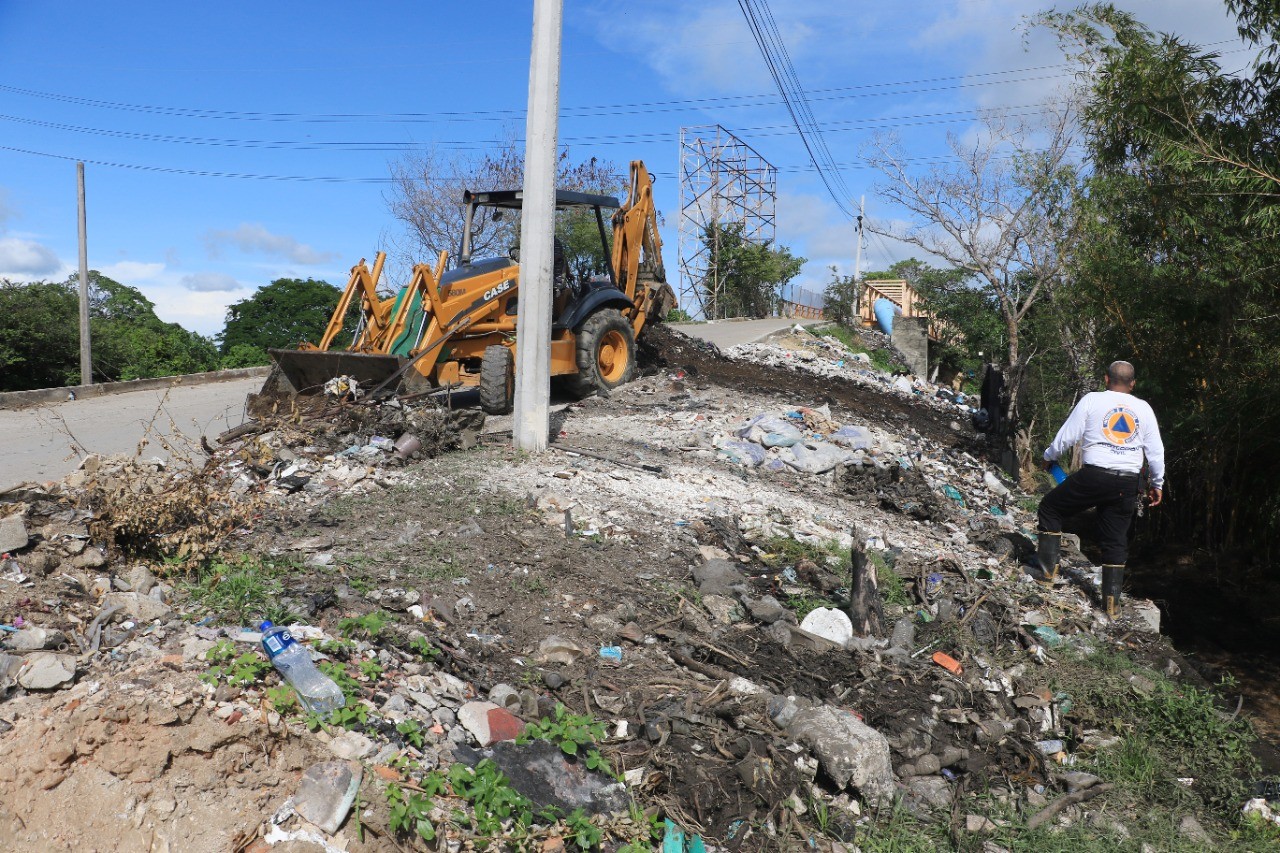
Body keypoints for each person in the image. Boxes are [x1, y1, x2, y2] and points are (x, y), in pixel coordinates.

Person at [1036, 361, 1164, 618]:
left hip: (1094, 476)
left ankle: (1047, 574)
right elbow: (1156, 451)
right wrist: (1157, 483)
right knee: (1116, 538)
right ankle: (1112, 605)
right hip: (1128, 482)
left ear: (1106, 379)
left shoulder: (1092, 400)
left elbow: (1067, 436)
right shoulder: (1144, 408)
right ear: (1133, 384)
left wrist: (1049, 456)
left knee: (1050, 507)